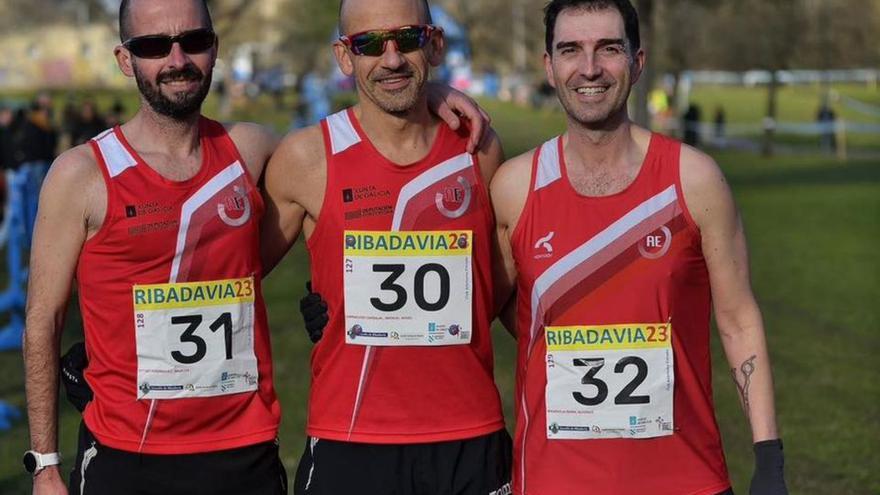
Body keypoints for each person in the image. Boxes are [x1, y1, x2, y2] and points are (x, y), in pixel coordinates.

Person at [24, 0, 489, 493]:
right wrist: (46, 463)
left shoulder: (253, 151)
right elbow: (42, 319)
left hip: (243, 452)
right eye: (155, 46)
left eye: (195, 42)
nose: (178, 60)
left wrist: (426, 92)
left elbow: (352, 141)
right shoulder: (81, 174)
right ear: (125, 59)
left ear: (215, 50)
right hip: (128, 453)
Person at [489, 1, 788, 494]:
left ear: (637, 61)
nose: (589, 68)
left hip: (684, 479)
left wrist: (769, 458)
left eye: (608, 48)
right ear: (548, 66)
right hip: (551, 480)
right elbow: (476, 309)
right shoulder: (514, 188)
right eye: (571, 50)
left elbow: (738, 319)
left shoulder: (694, 180)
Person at [260, 1, 511, 494]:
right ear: (344, 56)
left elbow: (497, 287)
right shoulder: (306, 158)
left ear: (434, 43)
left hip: (468, 438)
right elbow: (225, 273)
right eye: (370, 44)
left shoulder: (477, 148)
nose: (391, 59)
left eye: (407, 39)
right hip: (351, 440)